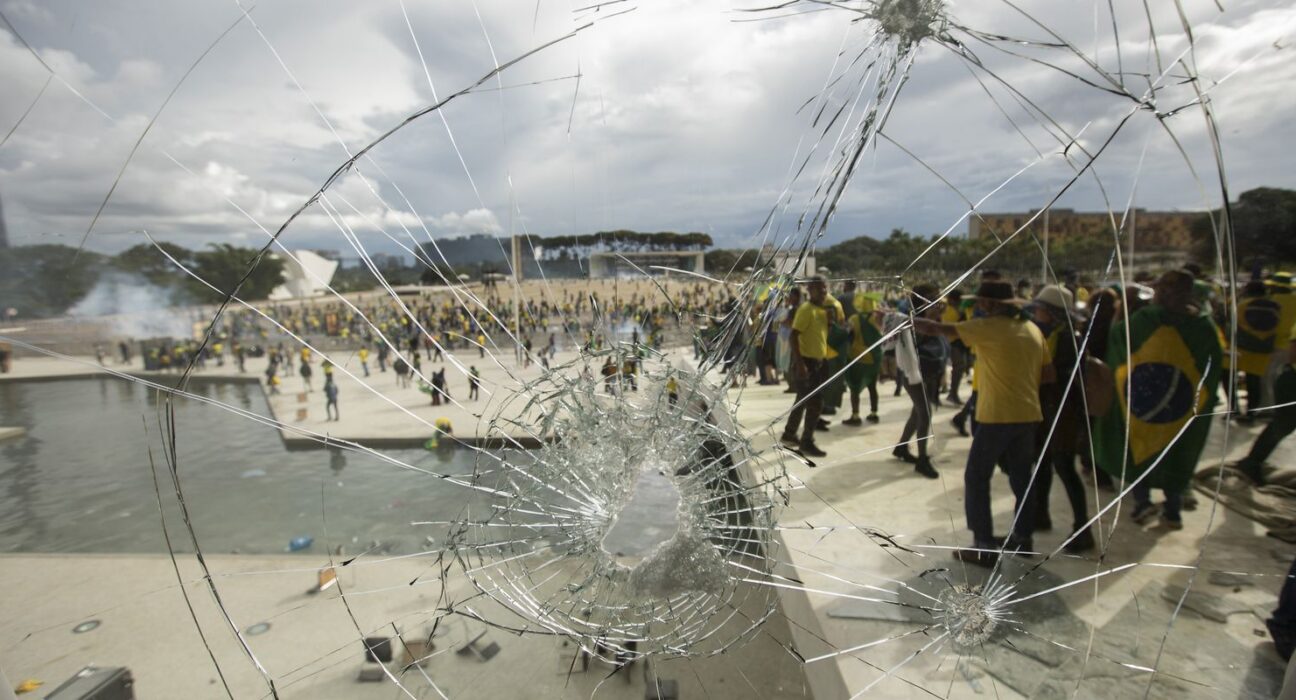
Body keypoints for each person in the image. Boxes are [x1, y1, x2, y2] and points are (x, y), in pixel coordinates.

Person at [916, 279, 1052, 564]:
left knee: (977, 478)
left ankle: (984, 546)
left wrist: (898, 320)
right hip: (1028, 415)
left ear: (990, 304)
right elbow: (1049, 376)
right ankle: (1022, 539)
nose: (977, 305)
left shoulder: (988, 327)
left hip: (996, 416)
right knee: (1022, 478)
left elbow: (936, 329)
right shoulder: (1032, 329)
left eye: (980, 301)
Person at [1094, 270, 1222, 530]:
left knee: (1139, 448)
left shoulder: (1143, 320)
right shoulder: (1203, 326)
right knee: (1176, 452)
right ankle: (1172, 511)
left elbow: (1118, 342)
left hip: (1142, 402)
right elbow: (1212, 365)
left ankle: (1143, 503)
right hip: (1180, 406)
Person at [1028, 285, 1094, 552]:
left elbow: (1055, 377)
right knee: (1043, 465)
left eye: (1040, 308)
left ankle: (1083, 529)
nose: (1036, 312)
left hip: (1063, 413)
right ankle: (1041, 514)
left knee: (1065, 468)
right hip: (1049, 411)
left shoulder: (1067, 339)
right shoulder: (1055, 334)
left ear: (1052, 313)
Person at [886, 284, 946, 479]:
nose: (937, 300)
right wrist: (929, 317)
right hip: (914, 372)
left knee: (918, 412)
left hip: (929, 370)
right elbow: (914, 343)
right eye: (932, 296)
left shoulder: (932, 315)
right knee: (925, 413)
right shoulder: (909, 316)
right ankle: (922, 459)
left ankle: (901, 448)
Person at [1234, 325, 1296, 485]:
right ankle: (1251, 463)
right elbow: (1293, 353)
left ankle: (1251, 463)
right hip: (1292, 380)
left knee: (1283, 424)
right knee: (1283, 424)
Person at [780, 277, 833, 458]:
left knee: (802, 399)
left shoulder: (821, 311)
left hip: (818, 362)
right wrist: (801, 364)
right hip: (806, 362)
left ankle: (789, 434)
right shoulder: (806, 309)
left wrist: (831, 323)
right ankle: (806, 442)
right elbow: (794, 336)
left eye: (825, 290)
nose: (824, 293)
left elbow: (820, 336)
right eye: (821, 290)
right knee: (815, 403)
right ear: (811, 290)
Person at [1232, 280, 1282, 421]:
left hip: (1242, 348)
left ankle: (1233, 408)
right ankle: (1251, 413)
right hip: (1263, 349)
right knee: (1254, 380)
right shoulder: (1276, 306)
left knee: (1228, 376)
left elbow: (1233, 325)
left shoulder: (1242, 306)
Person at [843, 296, 883, 426]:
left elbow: (848, 336)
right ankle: (874, 413)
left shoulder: (854, 319)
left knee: (854, 388)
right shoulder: (878, 319)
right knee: (873, 387)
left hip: (858, 357)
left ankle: (855, 415)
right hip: (875, 358)